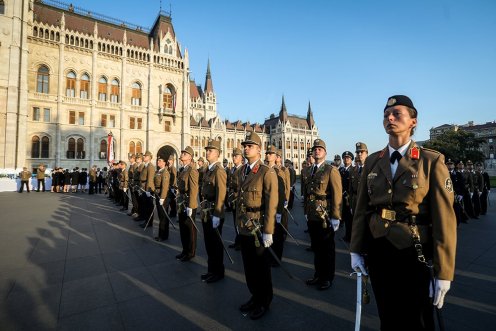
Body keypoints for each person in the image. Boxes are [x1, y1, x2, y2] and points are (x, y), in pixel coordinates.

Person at [350, 95, 457, 331]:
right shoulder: (373, 163)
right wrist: (356, 249)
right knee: (387, 316)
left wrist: (444, 271)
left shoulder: (431, 161)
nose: (389, 117)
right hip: (379, 249)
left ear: (413, 122)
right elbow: (361, 210)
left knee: (417, 320)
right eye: (386, 114)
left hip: (414, 252)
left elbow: (445, 220)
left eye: (397, 113)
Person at [236, 132, 278, 320]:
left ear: (259, 149)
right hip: (245, 226)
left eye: (250, 146)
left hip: (258, 228)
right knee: (249, 267)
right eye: (245, 145)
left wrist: (268, 231)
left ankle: (264, 301)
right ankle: (254, 295)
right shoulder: (242, 170)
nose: (246, 148)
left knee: (261, 268)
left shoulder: (265, 171)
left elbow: (271, 203)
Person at [304, 139, 342, 291]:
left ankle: (327, 278)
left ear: (325, 152)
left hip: (325, 216)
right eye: (315, 149)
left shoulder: (330, 170)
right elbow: (308, 194)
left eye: (320, 149)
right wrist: (306, 211)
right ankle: (318, 274)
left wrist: (336, 216)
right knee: (317, 248)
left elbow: (337, 194)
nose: (317, 151)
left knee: (327, 249)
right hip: (313, 215)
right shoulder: (310, 170)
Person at [200, 139, 227, 283]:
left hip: (214, 212)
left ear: (217, 154)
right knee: (208, 243)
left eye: (210, 150)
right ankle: (211, 270)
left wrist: (218, 214)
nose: (207, 152)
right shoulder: (207, 169)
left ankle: (218, 272)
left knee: (216, 244)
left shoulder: (219, 171)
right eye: (207, 150)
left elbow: (221, 194)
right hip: (206, 211)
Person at [176, 146, 199, 262]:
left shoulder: (192, 170)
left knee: (190, 229)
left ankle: (191, 252)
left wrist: (191, 206)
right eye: (182, 153)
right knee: (182, 228)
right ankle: (184, 250)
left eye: (184, 154)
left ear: (190, 157)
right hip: (182, 202)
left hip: (189, 203)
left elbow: (194, 189)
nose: (182, 155)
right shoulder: (182, 169)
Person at [227, 147, 244, 250]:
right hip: (233, 199)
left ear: (241, 158)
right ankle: (237, 241)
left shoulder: (243, 169)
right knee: (235, 222)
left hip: (239, 199)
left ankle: (241, 242)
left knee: (240, 222)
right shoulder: (232, 169)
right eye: (233, 156)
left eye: (236, 156)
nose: (234, 158)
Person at [153, 156, 170, 241]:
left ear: (164, 162)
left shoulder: (165, 172)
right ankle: (162, 234)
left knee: (163, 216)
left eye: (160, 160)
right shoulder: (157, 171)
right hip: (157, 194)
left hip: (162, 196)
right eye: (157, 160)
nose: (158, 162)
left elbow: (165, 186)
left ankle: (163, 235)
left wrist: (162, 197)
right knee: (160, 215)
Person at [340, 151, 354, 242]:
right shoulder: (340, 170)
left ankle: (349, 236)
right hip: (341, 197)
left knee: (349, 219)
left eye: (348, 158)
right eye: (345, 158)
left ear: (351, 159)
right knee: (343, 215)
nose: (346, 159)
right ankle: (346, 234)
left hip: (349, 197)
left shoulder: (354, 170)